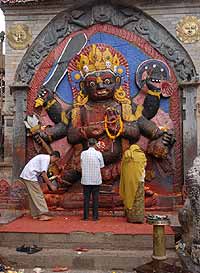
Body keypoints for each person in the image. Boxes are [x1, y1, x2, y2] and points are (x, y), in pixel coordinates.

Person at [20, 151, 61, 221]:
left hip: (27, 175)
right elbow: (44, 174)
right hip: (30, 176)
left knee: (33, 196)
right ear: (54, 156)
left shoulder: (44, 158)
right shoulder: (46, 159)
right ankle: (43, 214)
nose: (55, 162)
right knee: (39, 195)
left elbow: (41, 174)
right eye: (56, 160)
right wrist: (51, 185)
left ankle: (35, 214)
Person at [120, 144, 147, 223]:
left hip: (128, 181)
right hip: (139, 179)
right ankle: (138, 218)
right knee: (139, 199)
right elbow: (144, 165)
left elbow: (123, 166)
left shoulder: (126, 154)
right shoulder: (142, 155)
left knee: (129, 197)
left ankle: (131, 218)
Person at [80, 138, 105, 221]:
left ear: (88, 144)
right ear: (95, 145)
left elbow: (81, 164)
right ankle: (95, 217)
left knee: (86, 198)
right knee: (95, 199)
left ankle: (86, 216)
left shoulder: (83, 153)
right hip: (96, 180)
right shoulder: (99, 154)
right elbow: (102, 166)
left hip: (86, 180)